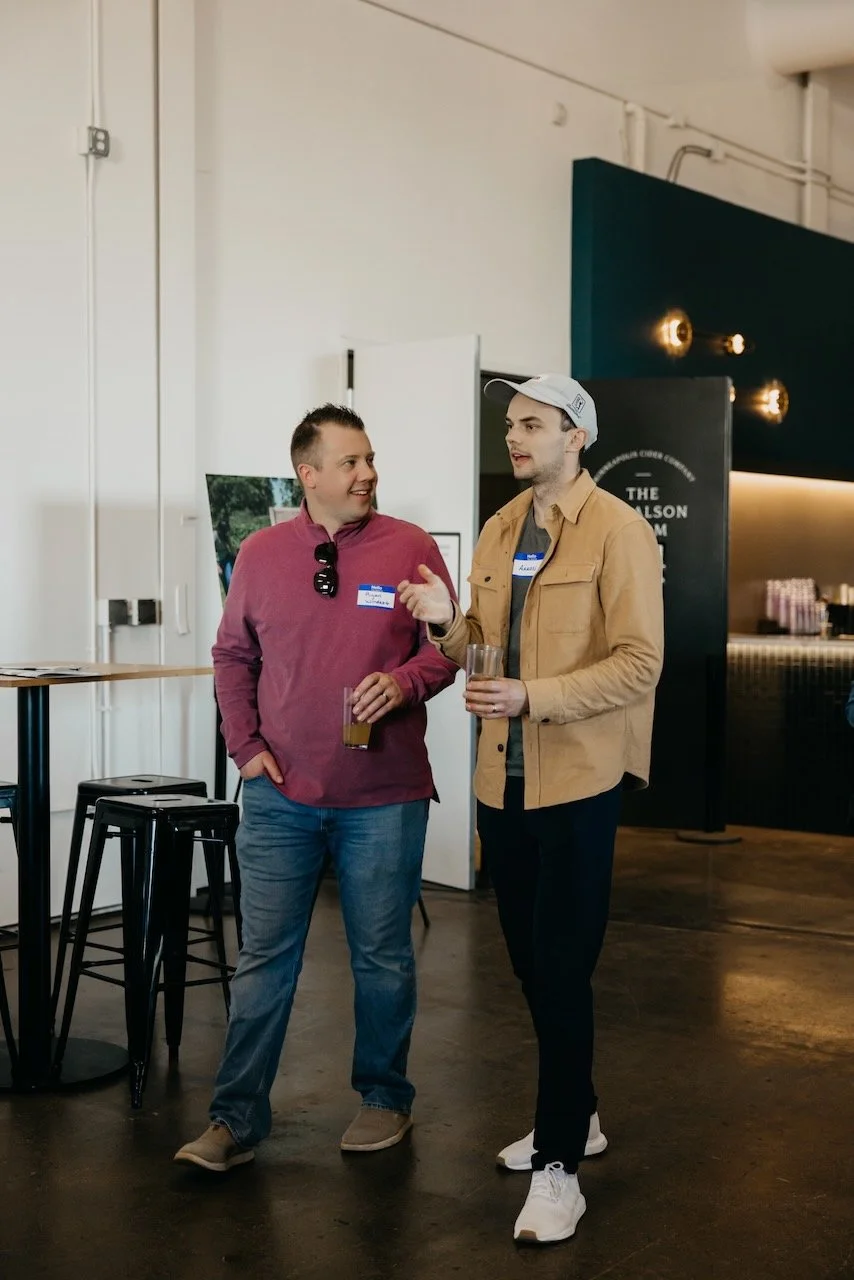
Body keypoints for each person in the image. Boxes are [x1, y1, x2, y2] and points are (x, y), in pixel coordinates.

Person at [399, 374, 664, 1245]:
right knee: (526, 962)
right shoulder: (500, 527)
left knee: (561, 970)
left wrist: (532, 695)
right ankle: (578, 1113)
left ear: (577, 435)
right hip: (498, 784)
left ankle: (559, 1168)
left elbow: (639, 664)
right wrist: (447, 623)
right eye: (510, 424)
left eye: (534, 424)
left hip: (579, 783)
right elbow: (481, 645)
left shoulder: (619, 530)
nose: (515, 437)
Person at [175, 403, 458, 1173]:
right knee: (264, 957)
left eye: (370, 459)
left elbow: (446, 651)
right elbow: (233, 656)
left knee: (383, 957)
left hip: (385, 795)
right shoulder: (261, 552)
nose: (368, 473)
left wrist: (402, 683)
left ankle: (383, 1098)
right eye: (350, 462)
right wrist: (246, 750)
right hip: (280, 796)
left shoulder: (410, 546)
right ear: (309, 474)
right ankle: (234, 1119)